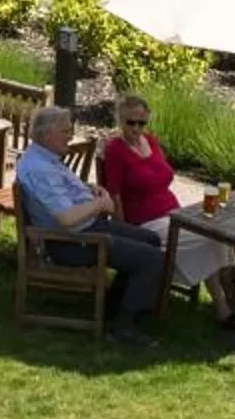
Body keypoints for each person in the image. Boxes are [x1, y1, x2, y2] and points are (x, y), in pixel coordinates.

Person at [97, 96, 235, 328]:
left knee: (220, 234)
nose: (136, 129)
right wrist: (124, 231)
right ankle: (224, 306)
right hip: (145, 222)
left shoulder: (151, 141)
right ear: (120, 120)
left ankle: (230, 301)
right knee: (210, 239)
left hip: (174, 212)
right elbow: (115, 196)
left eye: (142, 123)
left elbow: (164, 173)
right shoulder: (116, 150)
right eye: (131, 123)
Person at [13, 106, 162, 343]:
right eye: (65, 131)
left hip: (83, 229)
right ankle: (124, 327)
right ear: (46, 135)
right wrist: (101, 205)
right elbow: (67, 218)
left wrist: (89, 191)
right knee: (151, 259)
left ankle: (113, 309)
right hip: (71, 242)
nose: (70, 136)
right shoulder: (40, 170)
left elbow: (63, 195)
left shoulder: (44, 157)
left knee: (151, 239)